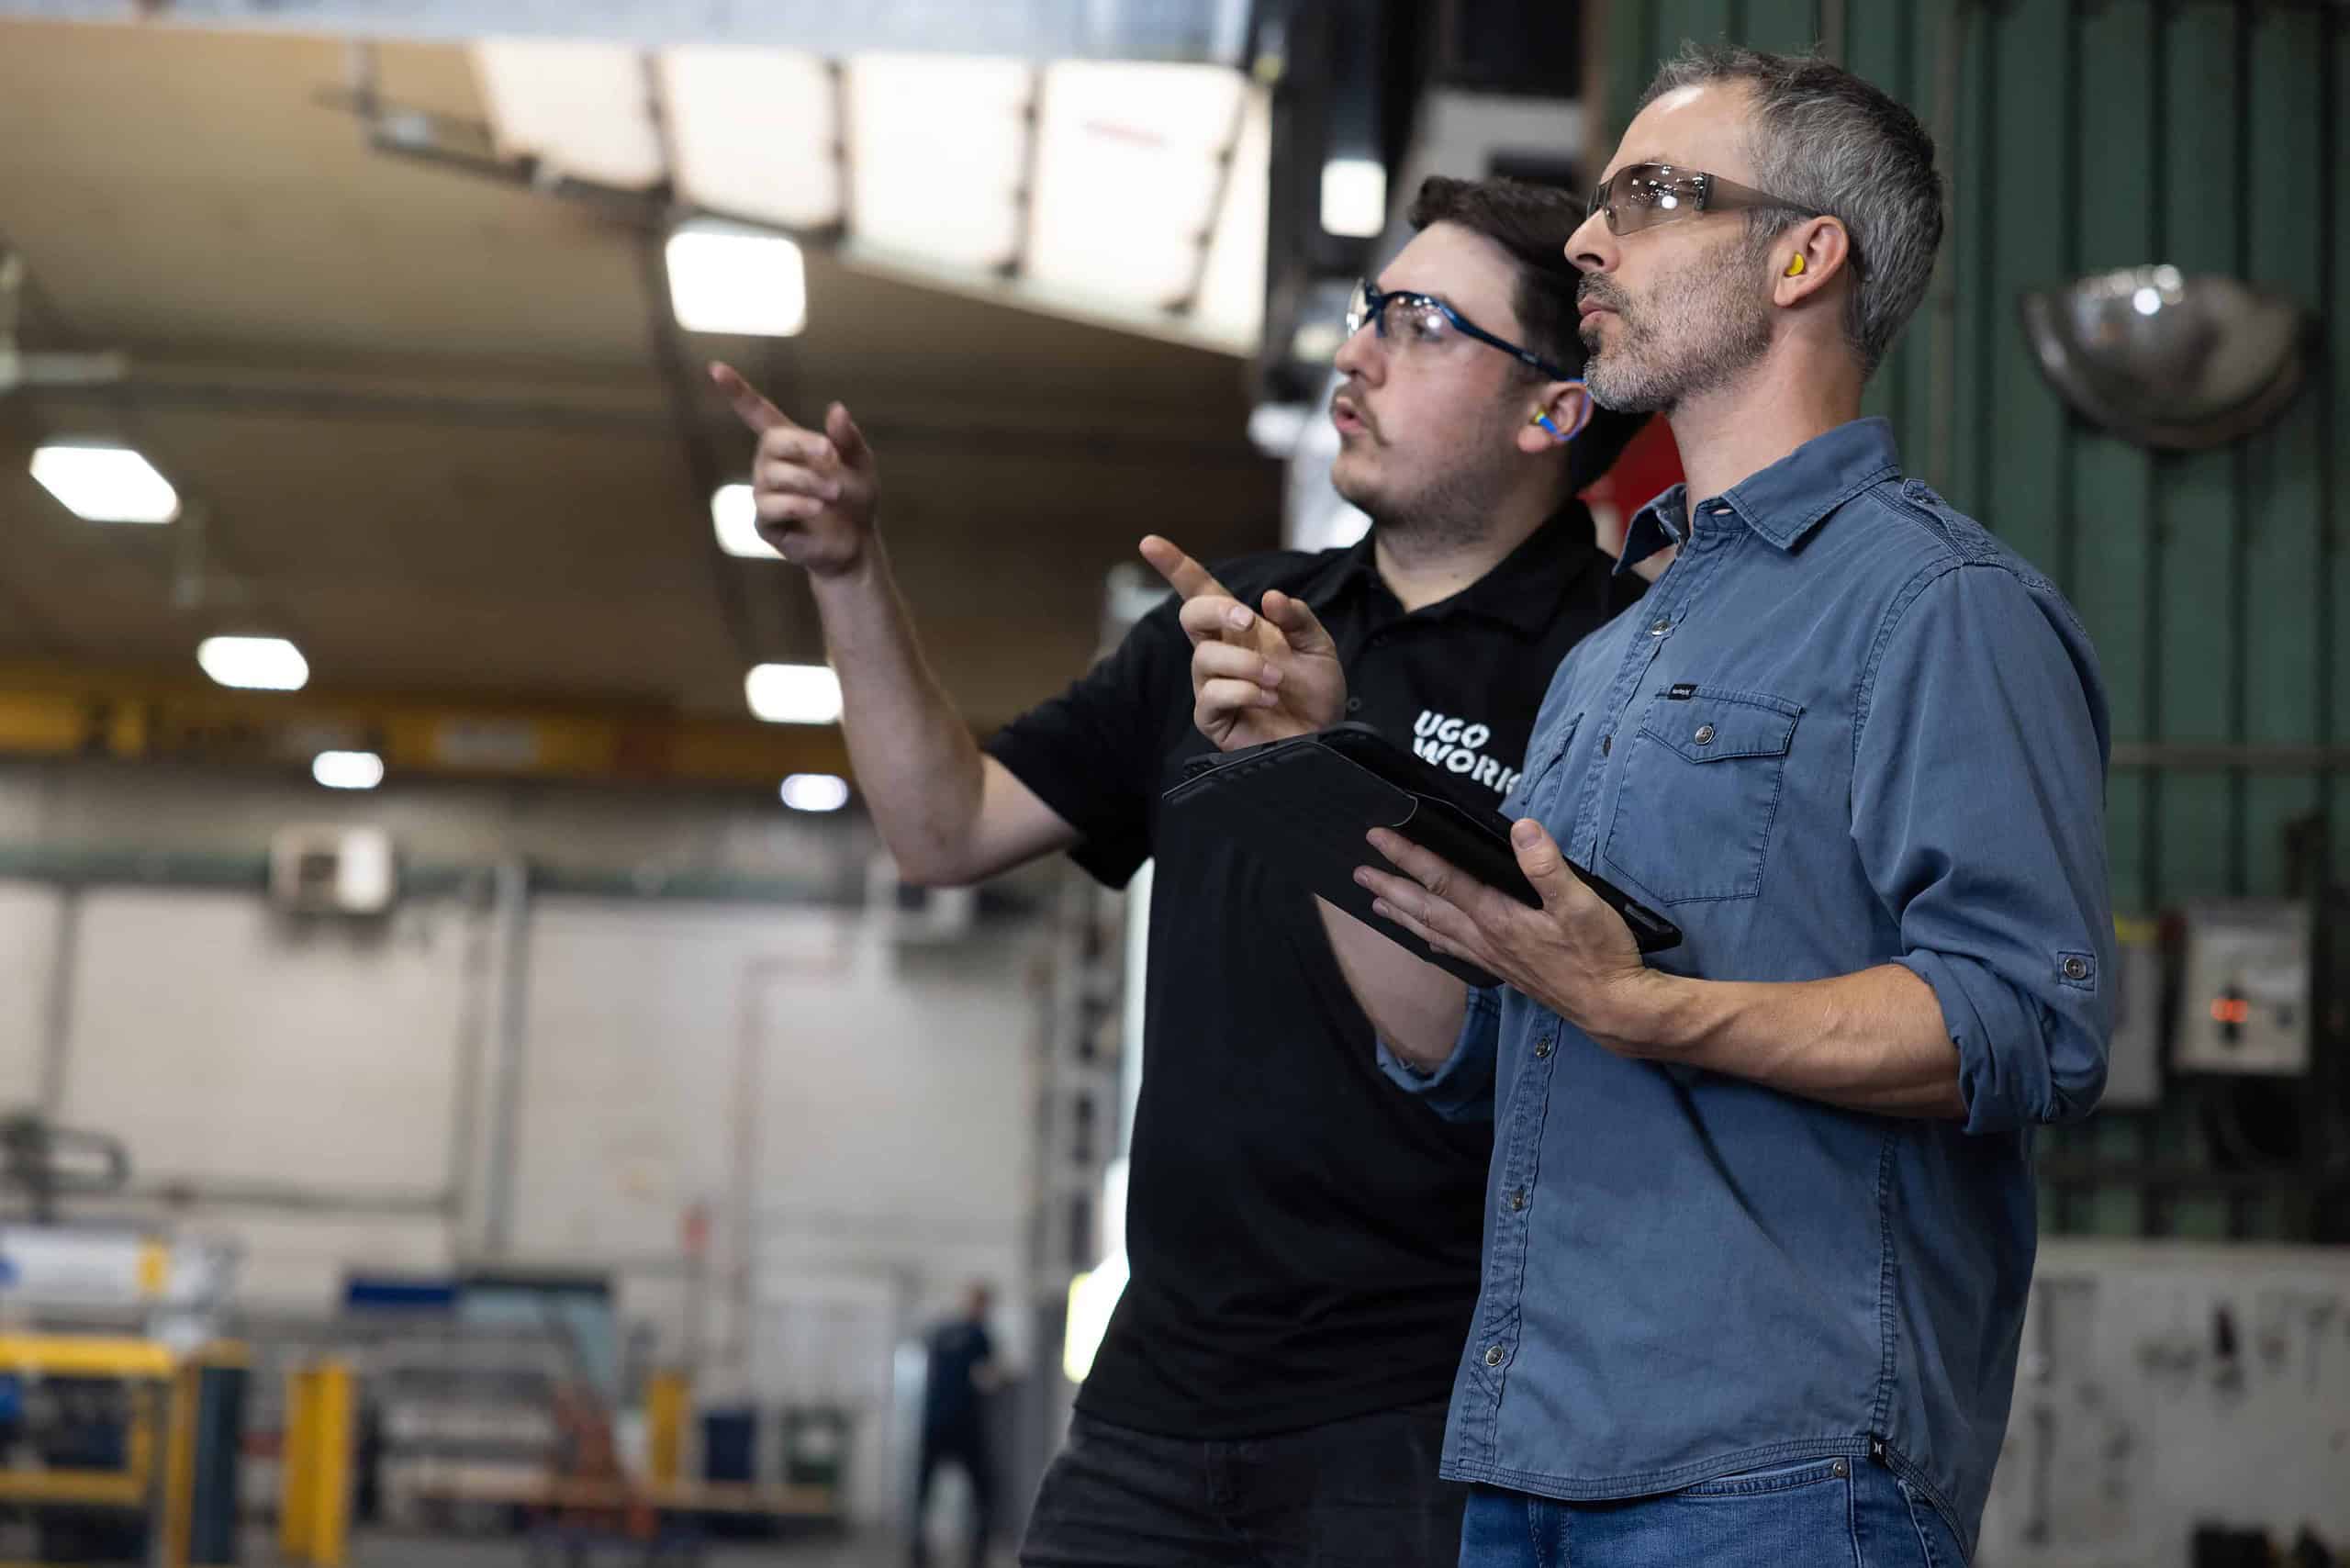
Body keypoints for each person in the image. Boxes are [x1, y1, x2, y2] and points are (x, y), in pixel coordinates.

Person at [1191, 48, 2113, 1568]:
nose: (1585, 242)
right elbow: (1482, 1046)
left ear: (1807, 257)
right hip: (1532, 1458)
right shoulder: (1615, 652)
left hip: (1782, 1475)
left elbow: (2032, 1015)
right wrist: (1317, 763)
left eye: (1654, 196)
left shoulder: (1940, 609)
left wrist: (1652, 1007)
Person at [713, 174, 1647, 1566]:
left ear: (1553, 409)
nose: (1357, 350)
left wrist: (1318, 768)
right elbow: (943, 828)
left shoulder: (1620, 674)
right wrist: (848, 572)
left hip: (1429, 1429)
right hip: (1155, 1409)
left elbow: (1486, 1035)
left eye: (1422, 321)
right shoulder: (1234, 625)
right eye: (1367, 309)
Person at [912, 1282, 1001, 1568]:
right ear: (983, 1306)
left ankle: (917, 1555)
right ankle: (978, 1558)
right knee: (983, 1493)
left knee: (923, 1494)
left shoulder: (941, 1332)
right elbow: (987, 1379)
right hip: (965, 1424)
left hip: (934, 1422)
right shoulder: (980, 1335)